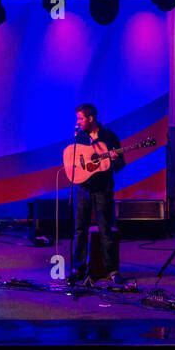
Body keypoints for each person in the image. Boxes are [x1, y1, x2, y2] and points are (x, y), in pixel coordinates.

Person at [69, 103, 123, 284]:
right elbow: (74, 160)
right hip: (83, 189)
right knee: (80, 230)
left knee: (106, 230)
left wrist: (114, 160)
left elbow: (120, 165)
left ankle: (112, 271)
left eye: (80, 118)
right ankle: (78, 268)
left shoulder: (109, 137)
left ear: (90, 118)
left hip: (103, 189)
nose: (78, 122)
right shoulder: (80, 138)